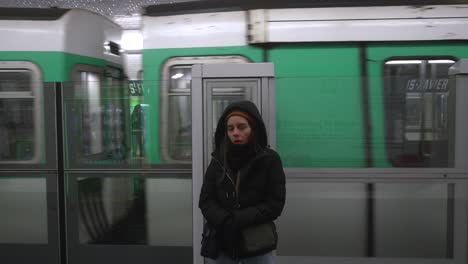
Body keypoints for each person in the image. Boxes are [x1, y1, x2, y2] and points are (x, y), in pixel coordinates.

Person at [199, 100, 286, 264]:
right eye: (230, 129)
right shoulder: (218, 160)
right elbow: (206, 200)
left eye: (242, 127)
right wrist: (225, 219)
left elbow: (275, 204)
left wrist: (239, 218)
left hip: (257, 246)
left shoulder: (270, 160)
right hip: (222, 246)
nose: (235, 133)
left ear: (253, 128)